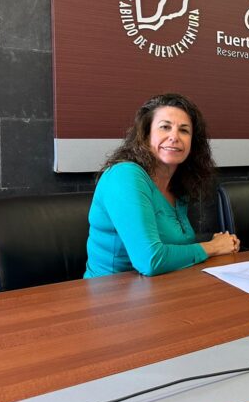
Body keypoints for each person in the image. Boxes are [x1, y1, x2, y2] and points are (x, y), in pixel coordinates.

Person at [84, 93, 239, 278]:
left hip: (162, 287)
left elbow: (176, 249)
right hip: (110, 292)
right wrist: (213, 247)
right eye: (165, 127)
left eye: (184, 130)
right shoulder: (124, 175)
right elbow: (150, 261)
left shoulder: (178, 184)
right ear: (146, 135)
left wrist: (220, 243)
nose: (174, 136)